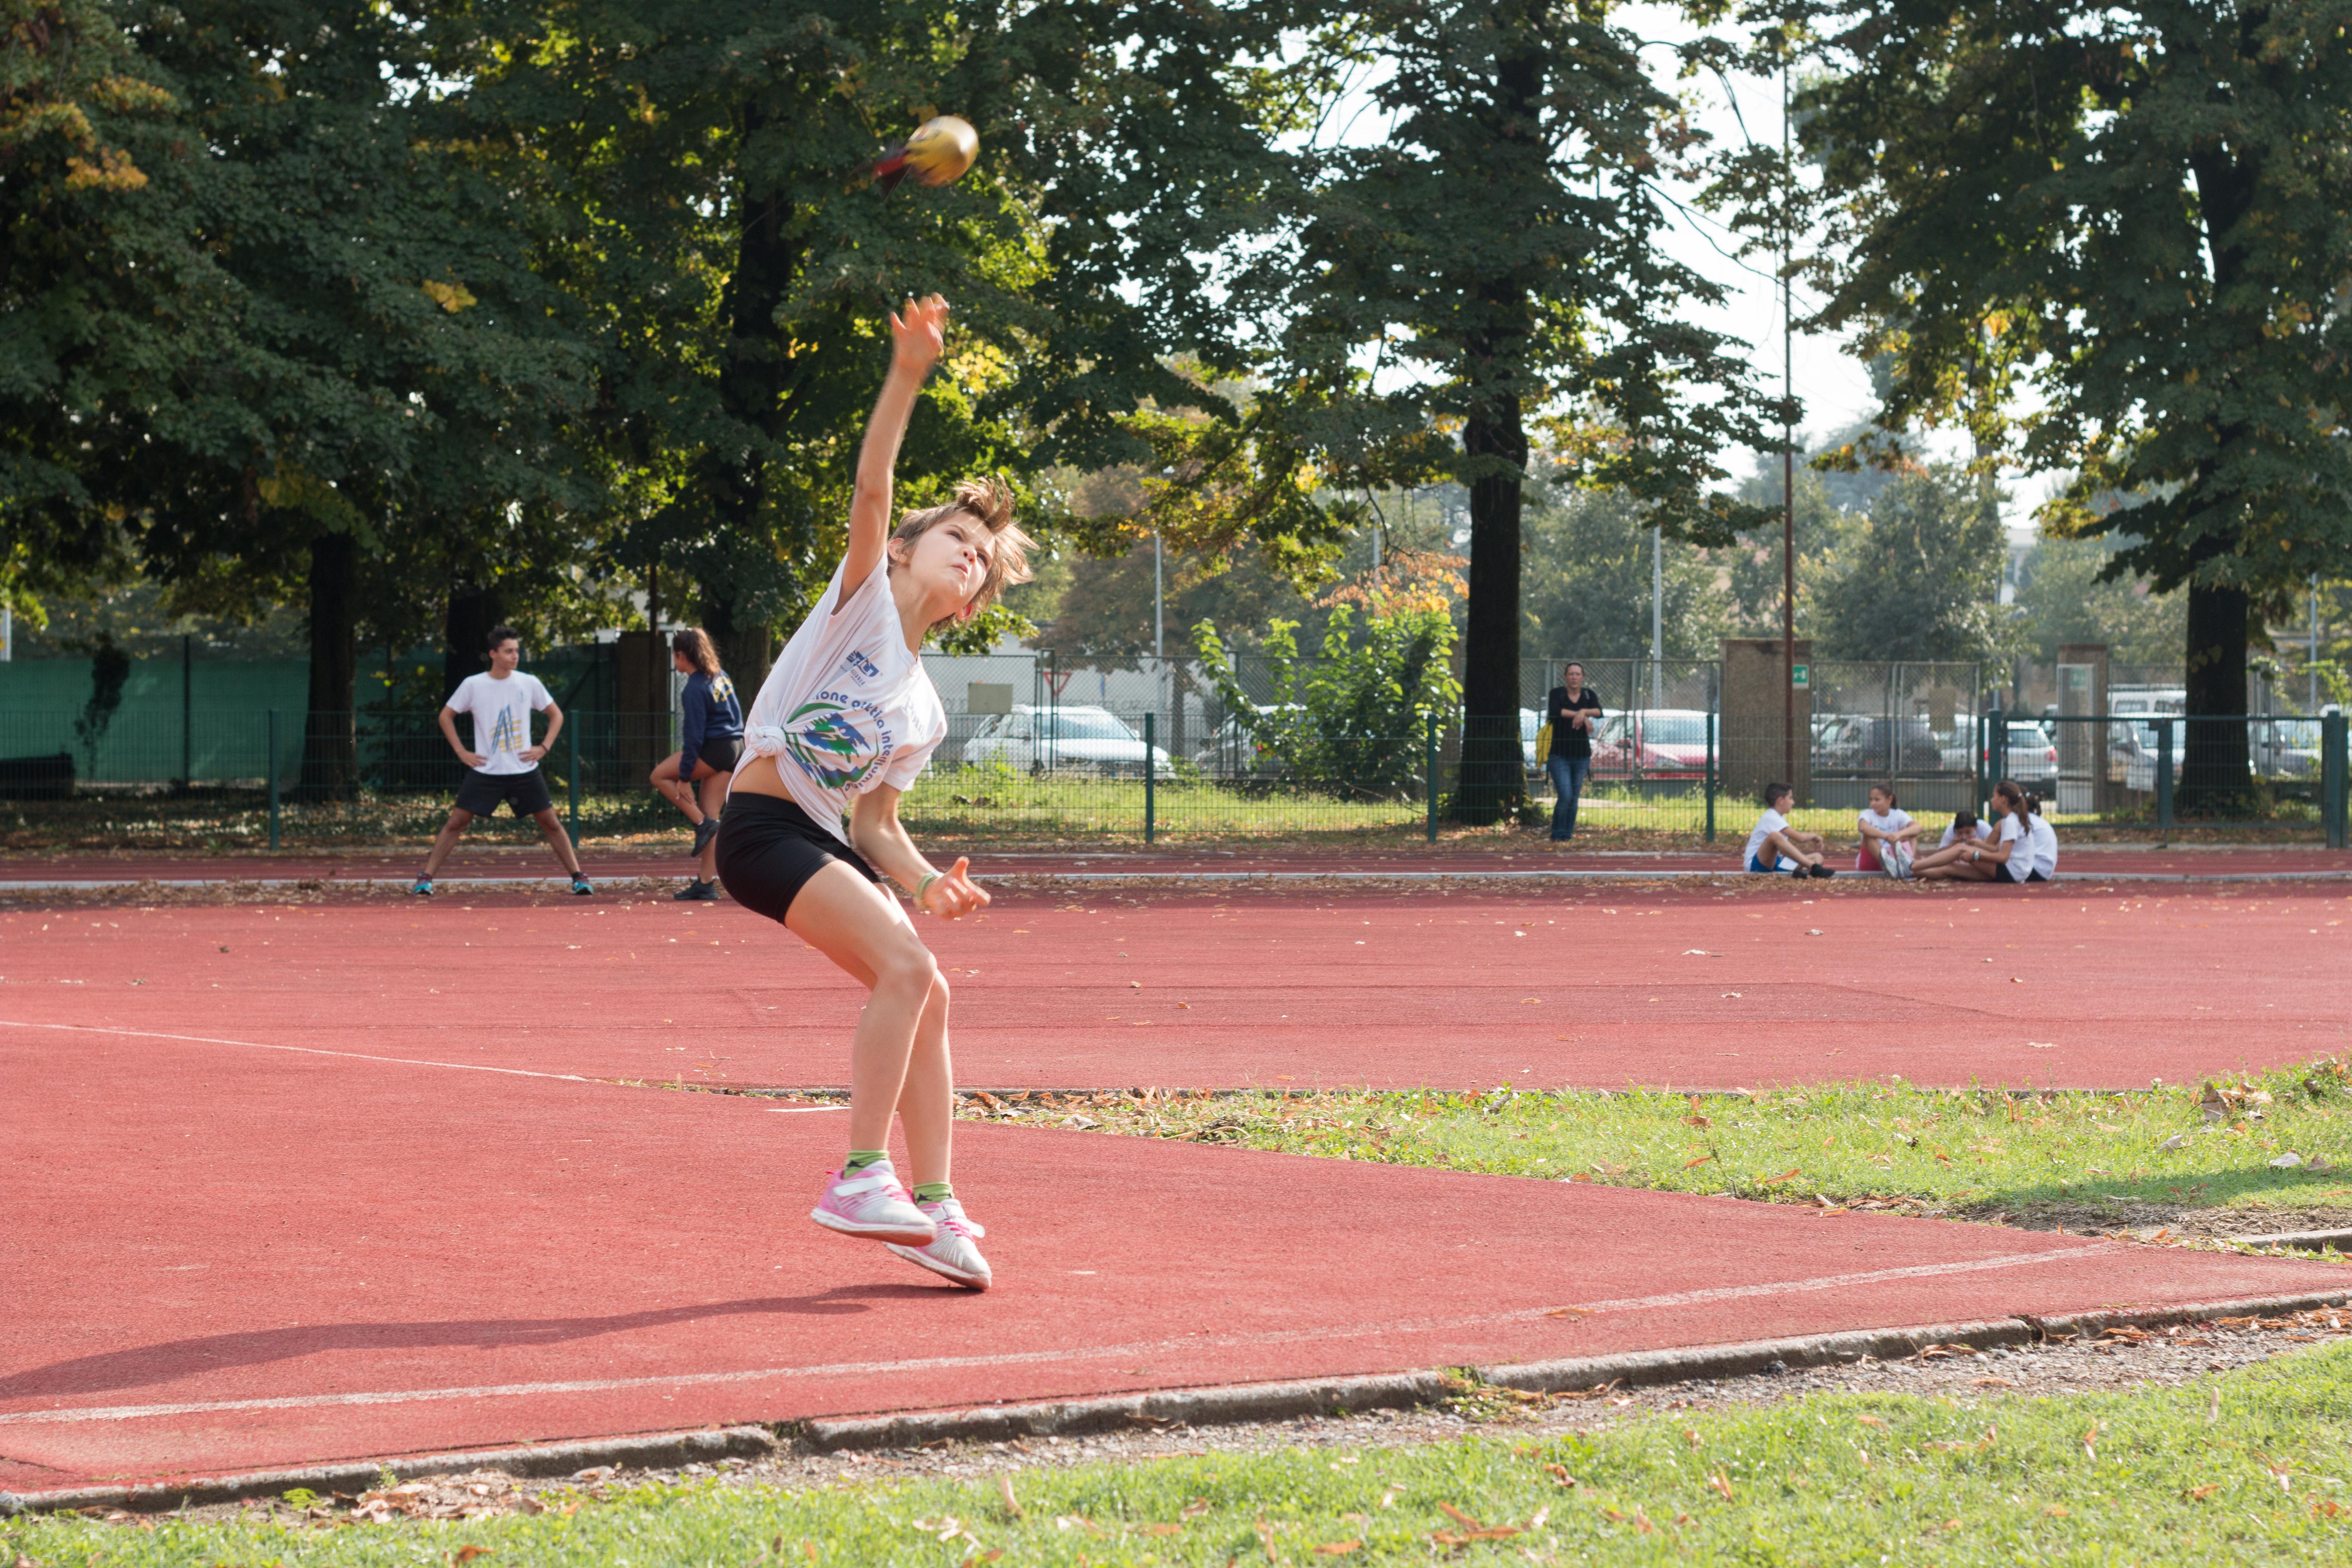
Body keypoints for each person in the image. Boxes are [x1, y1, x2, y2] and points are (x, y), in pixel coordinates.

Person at [714, 293, 1030, 1292]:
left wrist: (929, 881)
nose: (970, 553)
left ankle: (933, 1207)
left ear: (971, 604)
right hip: (760, 830)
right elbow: (871, 487)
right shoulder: (859, 608)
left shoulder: (922, 710)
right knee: (904, 968)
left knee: (929, 988)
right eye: (956, 537)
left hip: (822, 839)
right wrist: (905, 376)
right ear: (900, 551)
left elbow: (875, 826)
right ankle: (860, 1177)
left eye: (980, 558)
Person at [413, 628, 591, 897]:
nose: (515, 656)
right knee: (457, 822)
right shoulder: (473, 685)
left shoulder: (529, 683)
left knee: (551, 823)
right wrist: (462, 752)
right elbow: (445, 716)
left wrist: (544, 747)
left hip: (524, 770)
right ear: (493, 654)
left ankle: (579, 878)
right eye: (509, 651)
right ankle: (426, 878)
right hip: (486, 771)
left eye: (517, 651)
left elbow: (556, 715)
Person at [652, 628, 744, 902]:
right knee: (712, 815)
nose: (674, 661)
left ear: (682, 656)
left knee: (659, 776)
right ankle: (705, 883)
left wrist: (684, 778)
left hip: (715, 749)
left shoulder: (694, 687)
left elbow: (693, 737)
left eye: (674, 656)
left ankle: (700, 823)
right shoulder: (720, 675)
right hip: (736, 746)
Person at [1912, 781, 2029, 882]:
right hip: (2013, 873)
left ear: (2003, 800)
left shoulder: (2010, 822)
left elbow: (2003, 857)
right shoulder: (2012, 820)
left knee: (1961, 849)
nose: (1992, 800)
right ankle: (1910, 872)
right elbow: (1996, 850)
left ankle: (1912, 865)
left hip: (2011, 872)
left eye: (1994, 796)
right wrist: (1978, 846)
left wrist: (1976, 855)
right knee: (1951, 868)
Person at [1544, 663, 1604, 842]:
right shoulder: (1557, 694)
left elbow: (1599, 712)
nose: (1574, 677)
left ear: (1583, 677)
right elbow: (1556, 711)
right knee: (1565, 795)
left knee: (1574, 797)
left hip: (1582, 755)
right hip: (1559, 755)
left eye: (1578, 674)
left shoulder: (1588, 695)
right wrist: (1583, 718)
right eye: (1571, 674)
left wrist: (1583, 712)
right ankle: (1557, 834)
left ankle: (1567, 835)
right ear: (1565, 677)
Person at [1744, 781, 1831, 877]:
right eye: (1790, 798)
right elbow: (1800, 838)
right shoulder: (1771, 816)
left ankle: (1803, 875)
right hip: (1755, 866)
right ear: (1781, 801)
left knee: (1818, 857)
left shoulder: (1779, 817)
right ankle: (1813, 868)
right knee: (1775, 836)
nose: (1793, 802)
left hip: (1776, 863)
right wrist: (1815, 836)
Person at [1854, 783, 1921, 876]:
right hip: (1872, 861)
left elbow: (1918, 827)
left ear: (1889, 800)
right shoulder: (1867, 814)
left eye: (1877, 800)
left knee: (1912, 834)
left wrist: (1898, 835)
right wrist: (1886, 837)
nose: (1872, 803)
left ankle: (1909, 864)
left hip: (1893, 856)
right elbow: (1863, 827)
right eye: (1871, 800)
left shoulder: (1898, 814)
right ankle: (1887, 862)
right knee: (1868, 835)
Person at [2024, 792, 2058, 882]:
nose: (1992, 799)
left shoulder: (2023, 820)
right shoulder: (2035, 819)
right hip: (2044, 870)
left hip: (2036, 869)